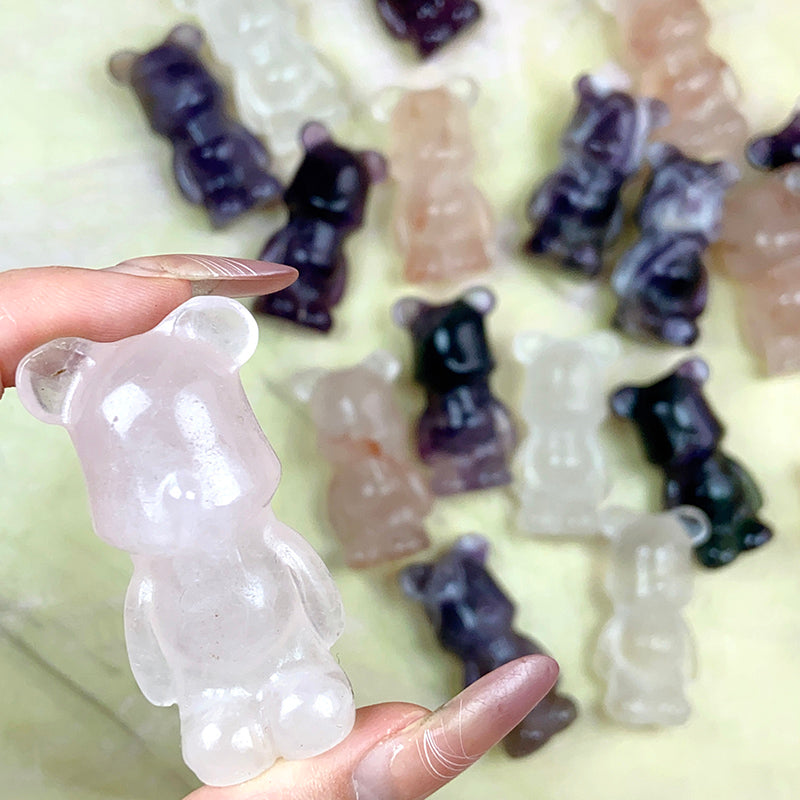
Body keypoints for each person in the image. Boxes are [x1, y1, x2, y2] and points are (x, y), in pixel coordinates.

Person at [0, 255, 559, 800]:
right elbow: (145, 622)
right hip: (208, 683)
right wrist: (164, 677)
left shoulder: (260, 533)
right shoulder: (153, 570)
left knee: (311, 708)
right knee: (221, 741)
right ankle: (219, 717)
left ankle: (302, 685)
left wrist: (319, 622)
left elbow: (308, 584)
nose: (182, 485)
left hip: (291, 652)